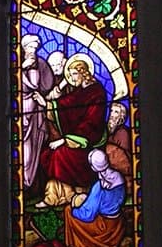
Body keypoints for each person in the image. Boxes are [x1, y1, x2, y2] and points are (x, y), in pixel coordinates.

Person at [38, 54, 108, 206]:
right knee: (47, 153)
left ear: (84, 72)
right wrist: (46, 104)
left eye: (74, 73)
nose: (71, 78)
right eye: (69, 74)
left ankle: (66, 195)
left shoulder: (97, 92)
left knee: (59, 153)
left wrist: (65, 140)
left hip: (87, 141)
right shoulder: (79, 91)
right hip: (75, 138)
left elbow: (92, 123)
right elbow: (64, 105)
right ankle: (57, 195)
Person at [63, 148, 126, 247]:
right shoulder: (119, 178)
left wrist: (74, 208)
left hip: (104, 227)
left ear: (93, 167)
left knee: (68, 211)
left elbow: (88, 215)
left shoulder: (99, 186)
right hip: (117, 222)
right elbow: (119, 200)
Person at [20, 33, 54, 189]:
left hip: (36, 113)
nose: (33, 50)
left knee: (34, 147)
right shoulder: (17, 65)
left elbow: (46, 86)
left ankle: (30, 184)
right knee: (24, 150)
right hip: (22, 112)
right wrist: (22, 68)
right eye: (30, 47)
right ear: (24, 48)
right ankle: (24, 182)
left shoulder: (41, 64)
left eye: (35, 47)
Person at [104, 99, 132, 180]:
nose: (112, 114)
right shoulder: (106, 131)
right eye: (111, 110)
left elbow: (123, 158)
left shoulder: (122, 133)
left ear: (121, 118)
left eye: (116, 112)